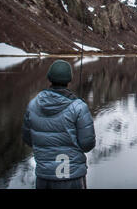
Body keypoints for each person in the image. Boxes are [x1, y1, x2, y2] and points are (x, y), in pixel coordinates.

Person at [22, 60, 96, 189]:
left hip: (44, 176)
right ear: (69, 79)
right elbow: (87, 145)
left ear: (50, 78)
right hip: (71, 176)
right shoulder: (79, 107)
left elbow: (28, 140)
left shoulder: (33, 104)